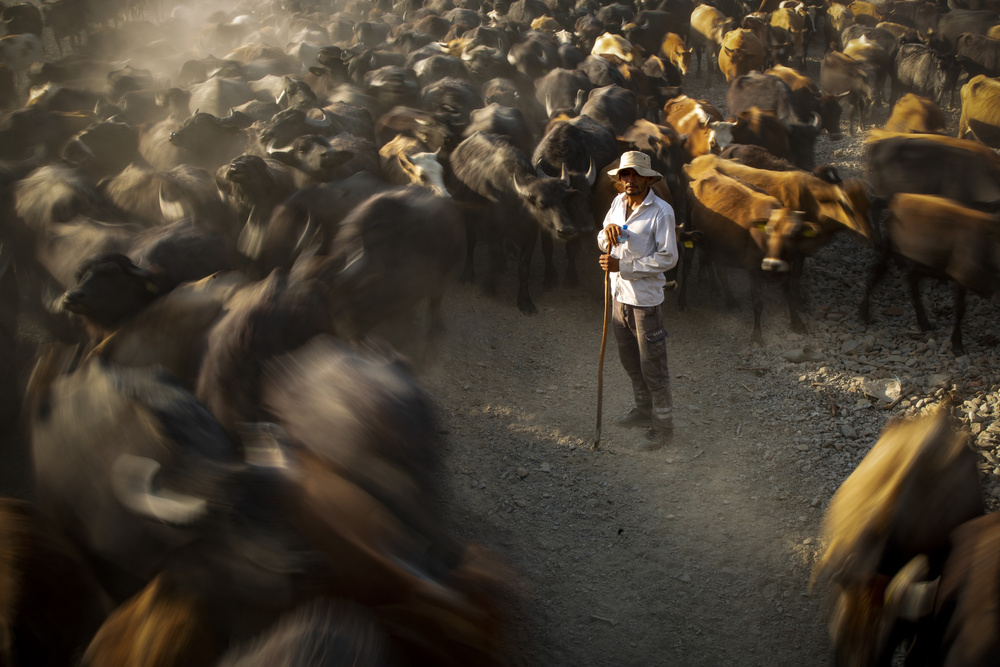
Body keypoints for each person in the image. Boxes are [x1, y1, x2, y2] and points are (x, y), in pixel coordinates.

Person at [597, 151, 678, 451]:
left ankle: (664, 426)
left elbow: (669, 257)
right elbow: (602, 238)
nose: (630, 180)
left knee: (653, 365)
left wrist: (625, 268)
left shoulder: (661, 211)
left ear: (648, 178)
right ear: (620, 180)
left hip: (645, 302)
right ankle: (643, 412)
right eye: (625, 175)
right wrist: (606, 236)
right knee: (631, 361)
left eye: (635, 174)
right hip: (618, 297)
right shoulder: (617, 203)